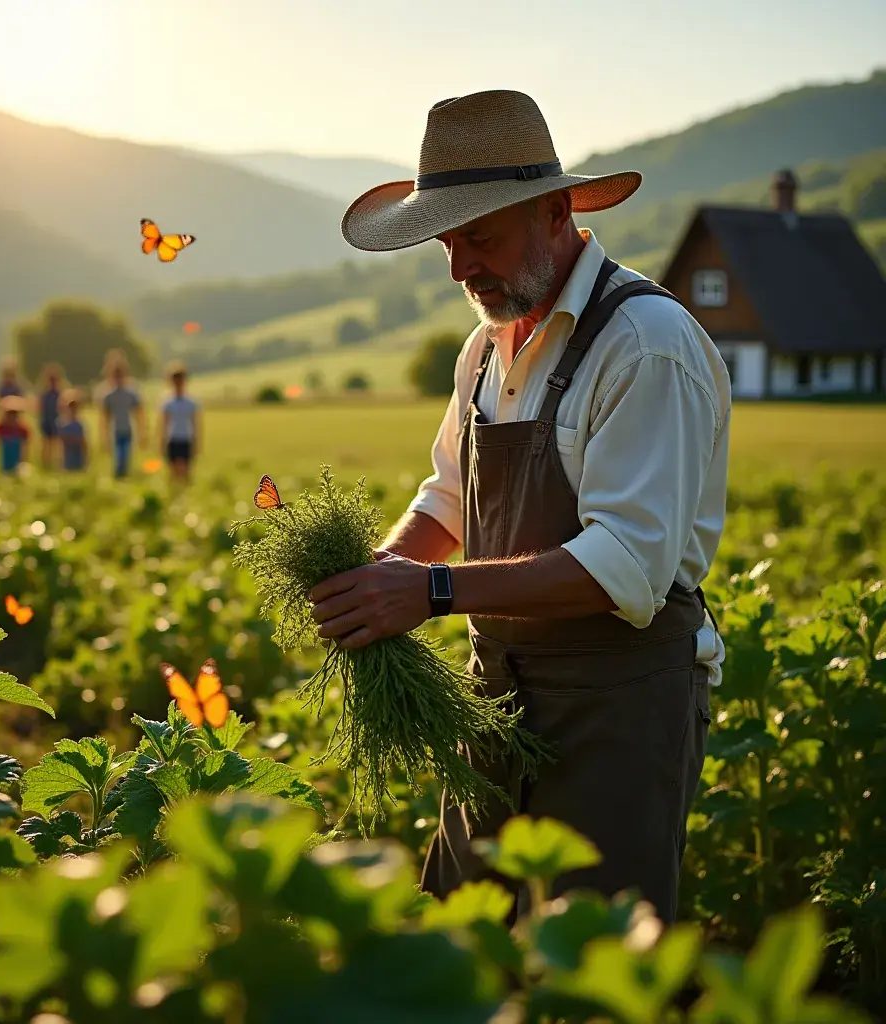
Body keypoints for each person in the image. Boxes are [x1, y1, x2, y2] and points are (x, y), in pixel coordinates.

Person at [310, 91, 731, 925]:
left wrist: (429, 595)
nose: (461, 267)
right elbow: (449, 498)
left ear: (553, 212)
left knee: (596, 956)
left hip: (619, 704)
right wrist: (389, 568)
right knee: (465, 938)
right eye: (447, 242)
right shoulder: (485, 346)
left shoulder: (643, 343)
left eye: (481, 237)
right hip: (495, 695)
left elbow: (628, 568)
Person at [99, 354, 145, 479]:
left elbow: (138, 413)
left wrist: (142, 431)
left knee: (126, 453)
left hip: (128, 428)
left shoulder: (130, 394)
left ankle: (123, 475)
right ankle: (119, 475)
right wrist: (104, 435)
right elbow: (105, 417)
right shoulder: (109, 396)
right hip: (115, 429)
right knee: (118, 454)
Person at [158, 362, 200, 482]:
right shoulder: (167, 402)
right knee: (173, 471)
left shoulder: (191, 402)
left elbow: (195, 423)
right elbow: (164, 423)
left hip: (186, 438)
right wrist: (162, 442)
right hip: (172, 439)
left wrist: (196, 442)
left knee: (185, 471)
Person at [0, 396, 30, 475]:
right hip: (6, 448)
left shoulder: (20, 426)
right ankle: (6, 472)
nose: (11, 417)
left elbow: (26, 435)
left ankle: (15, 472)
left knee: (17, 462)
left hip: (16, 449)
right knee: (6, 462)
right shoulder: (2, 426)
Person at [37, 364, 65, 468]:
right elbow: (41, 408)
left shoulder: (59, 394)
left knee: (57, 444)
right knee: (46, 443)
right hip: (47, 421)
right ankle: (45, 463)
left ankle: (57, 463)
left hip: (57, 421)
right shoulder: (45, 394)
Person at [57, 388, 88, 472]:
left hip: (77, 454)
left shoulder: (80, 424)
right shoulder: (62, 423)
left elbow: (83, 442)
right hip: (68, 455)